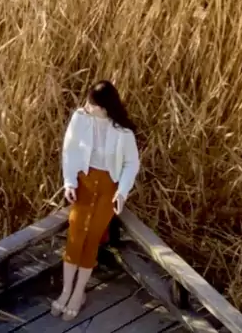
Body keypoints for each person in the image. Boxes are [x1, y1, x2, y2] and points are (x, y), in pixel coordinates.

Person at [51, 80, 140, 320]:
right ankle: (66, 290)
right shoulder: (80, 119)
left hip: (107, 188)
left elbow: (131, 164)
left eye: (92, 103)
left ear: (103, 107)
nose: (86, 106)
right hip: (85, 184)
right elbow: (69, 150)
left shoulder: (123, 132)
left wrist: (121, 192)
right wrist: (69, 182)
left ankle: (79, 293)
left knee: (91, 239)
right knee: (75, 235)